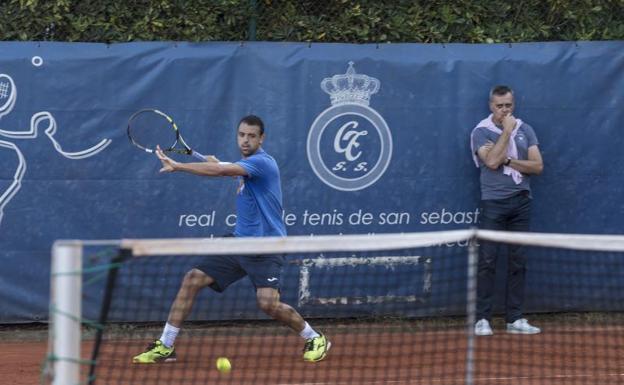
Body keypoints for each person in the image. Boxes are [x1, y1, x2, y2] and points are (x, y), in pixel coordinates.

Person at [132, 115, 331, 363]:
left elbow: (221, 170)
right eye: (241, 135)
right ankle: (165, 345)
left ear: (262, 138)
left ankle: (314, 337)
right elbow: (225, 168)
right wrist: (220, 165)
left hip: (266, 247)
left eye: (251, 136)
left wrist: (179, 166)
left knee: (268, 304)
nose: (245, 140)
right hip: (238, 242)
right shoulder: (246, 164)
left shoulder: (263, 163)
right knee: (192, 279)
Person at [470, 85, 544, 336]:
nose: (504, 110)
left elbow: (537, 166)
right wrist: (507, 131)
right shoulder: (481, 132)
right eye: (500, 106)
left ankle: (515, 318)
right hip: (493, 203)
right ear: (491, 106)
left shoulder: (527, 129)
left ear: (514, 104)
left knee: (518, 261)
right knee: (488, 261)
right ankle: (482, 319)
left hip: (521, 202)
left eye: (508, 105)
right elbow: (490, 162)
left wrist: (510, 160)